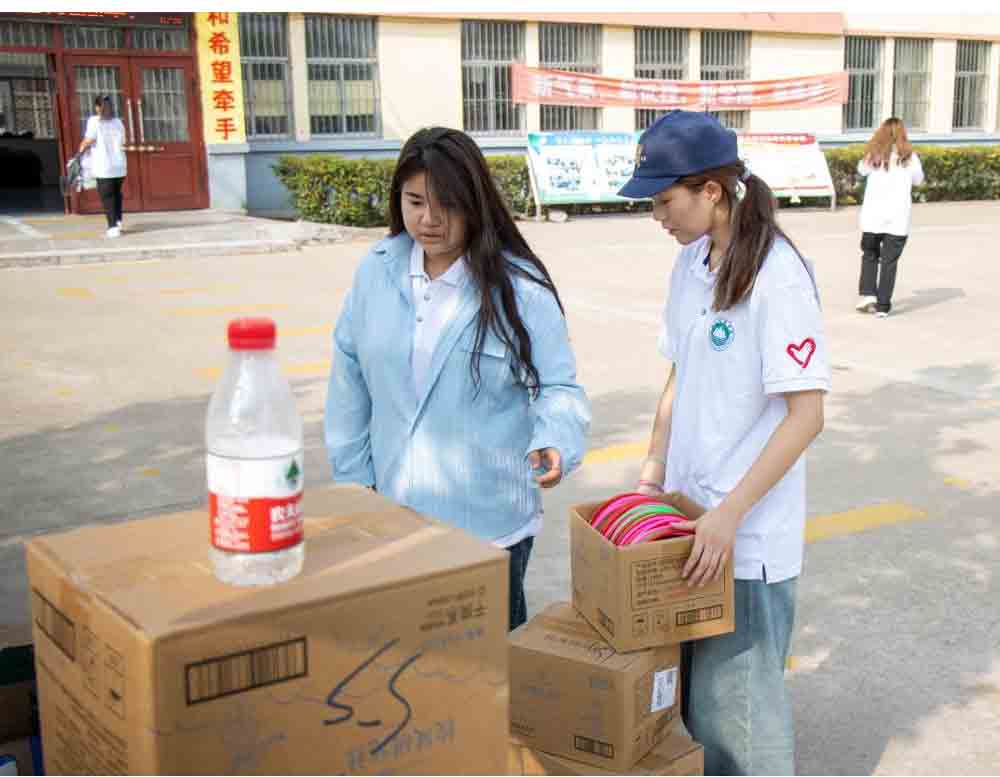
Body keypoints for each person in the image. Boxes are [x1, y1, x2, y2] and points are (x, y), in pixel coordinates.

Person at [618, 111, 830, 776]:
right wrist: (651, 479)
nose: (656, 215)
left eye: (663, 199)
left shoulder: (778, 274)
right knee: (696, 711)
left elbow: (807, 414)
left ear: (712, 190)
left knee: (742, 722)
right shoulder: (689, 265)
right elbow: (680, 373)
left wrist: (731, 513)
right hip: (690, 523)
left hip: (745, 539)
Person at [324, 127, 590, 631]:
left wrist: (555, 440)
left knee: (489, 682)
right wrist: (355, 485)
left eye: (446, 204)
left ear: (475, 204)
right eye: (415, 201)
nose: (429, 219)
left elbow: (556, 386)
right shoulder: (375, 271)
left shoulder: (519, 288)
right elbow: (349, 377)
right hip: (394, 517)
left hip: (487, 524)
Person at [854, 117, 924, 318]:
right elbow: (919, 180)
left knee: (870, 254)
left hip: (872, 218)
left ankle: (868, 294)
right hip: (898, 219)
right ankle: (883, 306)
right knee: (889, 261)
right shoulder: (909, 157)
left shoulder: (873, 156)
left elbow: (860, 171)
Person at [77, 96, 127, 238]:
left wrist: (80, 150)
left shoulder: (94, 121)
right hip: (120, 166)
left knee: (108, 197)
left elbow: (89, 140)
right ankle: (118, 222)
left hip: (104, 166)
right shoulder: (118, 122)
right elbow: (123, 140)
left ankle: (112, 228)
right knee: (117, 195)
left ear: (98, 108)